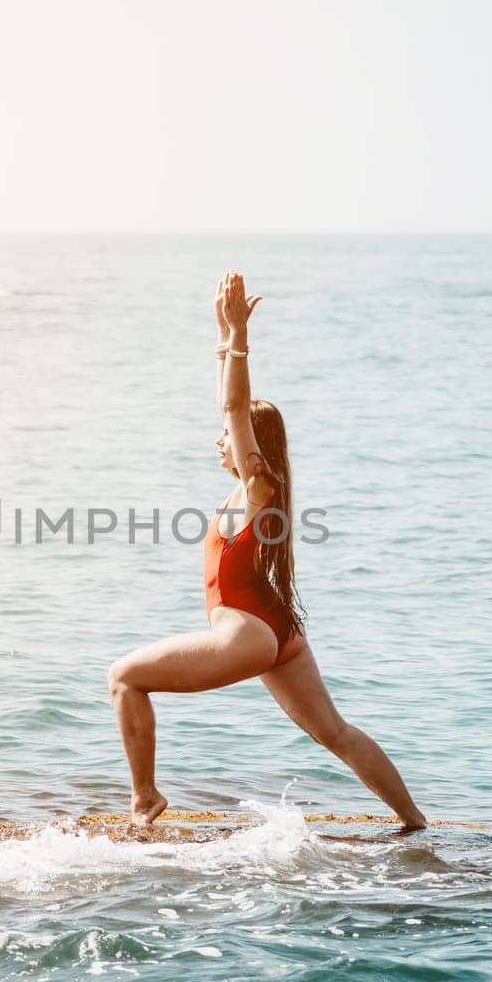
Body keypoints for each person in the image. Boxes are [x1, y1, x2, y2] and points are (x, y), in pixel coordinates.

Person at [108, 271, 428, 831]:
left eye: (229, 436)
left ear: (249, 443)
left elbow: (234, 407)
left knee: (125, 678)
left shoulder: (260, 488)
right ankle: (414, 821)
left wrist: (237, 338)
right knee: (335, 732)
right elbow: (227, 408)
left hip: (248, 633)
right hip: (280, 632)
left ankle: (145, 799)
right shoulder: (250, 491)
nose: (218, 440)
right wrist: (219, 339)